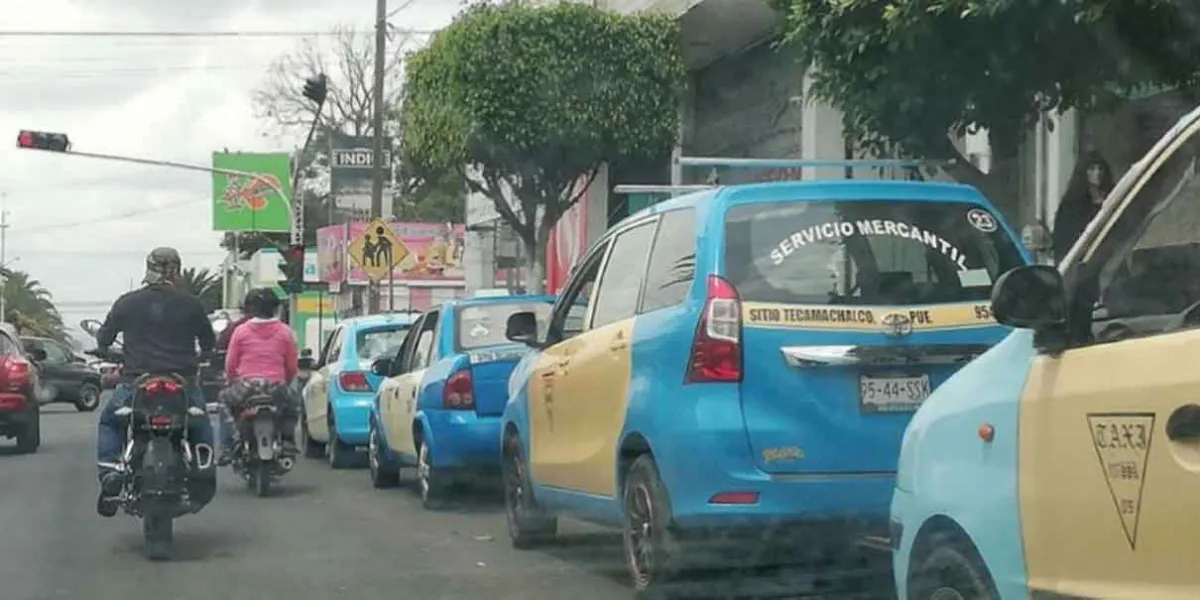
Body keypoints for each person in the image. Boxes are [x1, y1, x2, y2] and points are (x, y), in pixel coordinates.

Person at [94, 247, 217, 517]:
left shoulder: (126, 302)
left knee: (111, 421)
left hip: (135, 382)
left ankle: (110, 471)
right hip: (182, 381)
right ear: (177, 270)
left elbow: (103, 339)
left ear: (148, 268)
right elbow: (209, 344)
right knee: (199, 423)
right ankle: (205, 468)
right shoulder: (191, 303)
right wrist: (200, 358)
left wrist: (108, 351)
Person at [217, 288, 300, 464]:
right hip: (276, 386)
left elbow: (230, 365)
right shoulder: (285, 332)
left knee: (223, 400)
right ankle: (287, 440)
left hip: (247, 386)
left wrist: (233, 381)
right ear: (275, 308)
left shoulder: (240, 331)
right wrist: (286, 381)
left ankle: (230, 442)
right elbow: (292, 366)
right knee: (294, 404)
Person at [1052, 151, 1115, 263]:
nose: (1097, 173)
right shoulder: (1071, 204)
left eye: (1100, 169)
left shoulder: (1113, 196)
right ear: (1083, 172)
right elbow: (1064, 239)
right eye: (1092, 169)